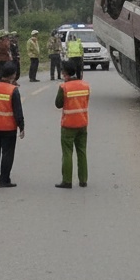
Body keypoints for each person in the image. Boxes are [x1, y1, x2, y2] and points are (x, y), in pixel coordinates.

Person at [0, 61, 25, 188]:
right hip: (8, 127)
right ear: (13, 75)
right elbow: (18, 111)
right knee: (7, 153)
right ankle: (4, 179)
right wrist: (21, 127)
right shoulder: (13, 90)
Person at [54, 61, 90, 189]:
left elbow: (58, 104)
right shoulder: (85, 86)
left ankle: (67, 181)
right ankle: (83, 180)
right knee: (82, 152)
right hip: (82, 123)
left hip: (68, 124)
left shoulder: (64, 87)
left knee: (67, 153)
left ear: (65, 74)